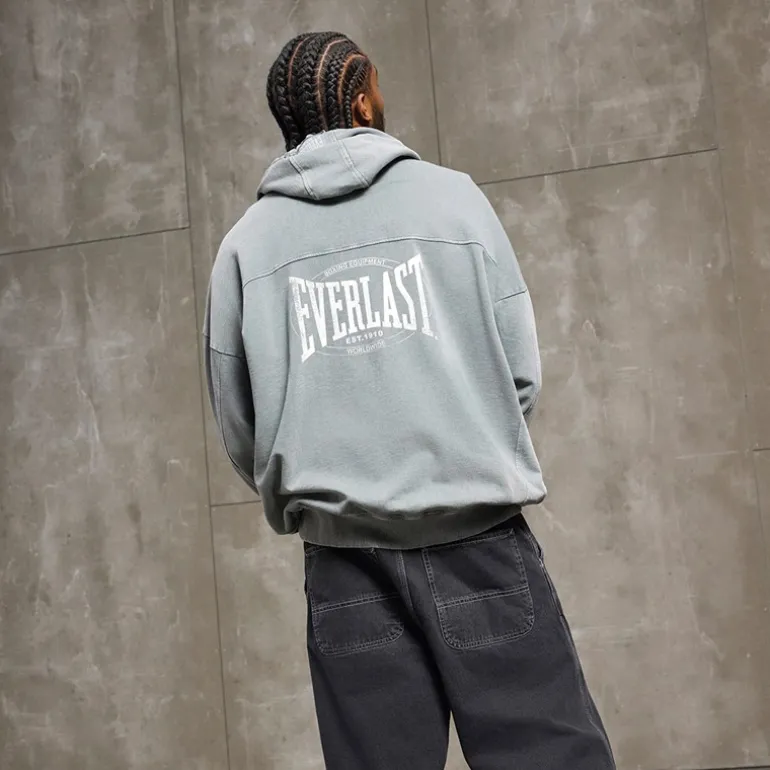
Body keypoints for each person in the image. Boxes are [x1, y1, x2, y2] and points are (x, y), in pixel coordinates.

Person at [204, 30, 615, 770]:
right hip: (478, 540)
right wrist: (470, 441)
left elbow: (241, 425)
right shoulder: (453, 201)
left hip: (344, 560)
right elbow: (518, 372)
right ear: (362, 98)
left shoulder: (246, 247)